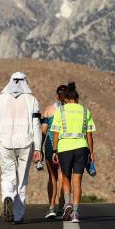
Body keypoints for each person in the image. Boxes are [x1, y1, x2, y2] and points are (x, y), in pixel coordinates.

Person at [0, 72, 42, 224]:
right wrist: (38, 148)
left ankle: (8, 196)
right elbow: (36, 125)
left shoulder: (0, 99)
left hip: (5, 144)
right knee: (22, 180)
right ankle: (18, 215)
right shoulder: (32, 100)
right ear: (26, 81)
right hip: (25, 144)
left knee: (7, 175)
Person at [51, 82, 96, 223]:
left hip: (64, 148)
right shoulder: (85, 111)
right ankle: (75, 213)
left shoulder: (61, 111)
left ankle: (67, 203)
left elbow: (56, 133)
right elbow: (89, 134)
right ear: (76, 98)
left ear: (65, 99)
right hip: (81, 147)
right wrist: (91, 152)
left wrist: (54, 150)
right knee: (78, 180)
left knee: (65, 177)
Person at [40, 85, 67, 219]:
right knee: (63, 176)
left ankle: (51, 207)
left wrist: (39, 149)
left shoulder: (49, 110)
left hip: (50, 147)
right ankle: (62, 208)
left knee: (52, 177)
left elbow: (44, 130)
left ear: (57, 95)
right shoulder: (73, 110)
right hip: (66, 147)